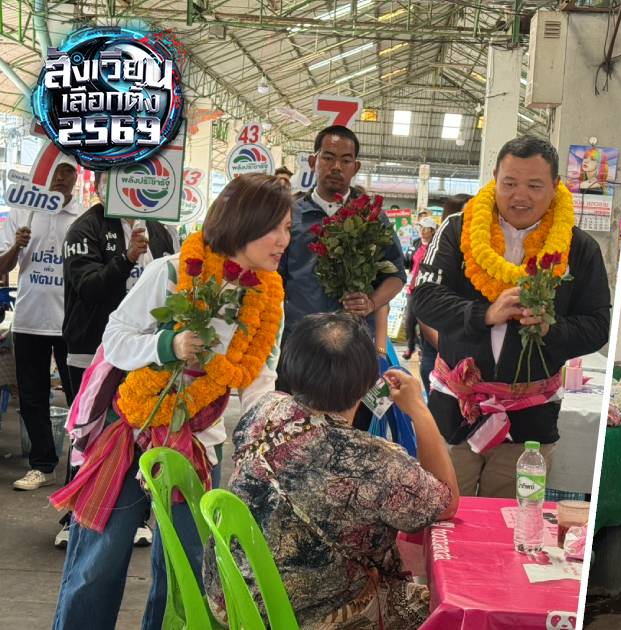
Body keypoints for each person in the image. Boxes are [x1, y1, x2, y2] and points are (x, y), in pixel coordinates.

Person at [50, 173, 291, 630]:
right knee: (97, 563)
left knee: (187, 571)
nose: (284, 240)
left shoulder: (270, 297)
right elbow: (116, 338)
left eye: (287, 228)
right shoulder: (177, 272)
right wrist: (168, 346)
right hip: (134, 430)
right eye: (274, 227)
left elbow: (259, 375)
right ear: (242, 223)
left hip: (200, 440)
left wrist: (269, 432)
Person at [204, 312, 458, 628]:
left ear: (291, 366)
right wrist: (419, 407)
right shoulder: (372, 460)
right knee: (443, 613)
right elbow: (446, 504)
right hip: (308, 617)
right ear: (368, 382)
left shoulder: (263, 410)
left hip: (234, 599)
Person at [412, 136, 610, 498]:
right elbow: (423, 299)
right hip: (455, 413)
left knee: (510, 528)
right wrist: (483, 313)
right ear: (494, 179)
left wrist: (553, 329)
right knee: (439, 516)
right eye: (510, 183)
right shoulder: (457, 231)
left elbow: (598, 326)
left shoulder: (579, 248)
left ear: (555, 187)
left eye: (534, 186)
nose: (520, 196)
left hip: (529, 426)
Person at [57, 170, 177, 549]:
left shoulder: (160, 231)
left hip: (145, 358)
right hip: (93, 350)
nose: (130, 187)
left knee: (137, 436)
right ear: (100, 186)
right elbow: (88, 287)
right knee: (88, 433)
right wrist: (125, 260)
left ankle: (136, 516)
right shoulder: (84, 228)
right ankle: (74, 515)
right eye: (119, 179)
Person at [280, 125, 407, 352]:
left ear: (355, 167)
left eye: (346, 160)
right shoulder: (291, 214)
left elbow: (396, 275)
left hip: (354, 344)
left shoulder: (372, 217)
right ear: (313, 161)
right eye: (328, 157)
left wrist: (371, 303)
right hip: (299, 341)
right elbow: (274, 277)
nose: (336, 167)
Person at [3, 160, 86, 491]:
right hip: (29, 320)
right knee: (33, 396)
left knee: (80, 396)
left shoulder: (83, 217)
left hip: (72, 322)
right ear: (43, 174)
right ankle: (42, 464)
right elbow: (1, 268)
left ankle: (83, 468)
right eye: (57, 171)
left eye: (69, 172)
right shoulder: (22, 213)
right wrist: (16, 246)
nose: (63, 178)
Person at [415, 194, 472, 391]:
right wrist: (446, 347)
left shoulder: (479, 253)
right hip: (440, 352)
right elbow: (422, 302)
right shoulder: (436, 252)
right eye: (466, 214)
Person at [402, 216, 438, 360]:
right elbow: (407, 261)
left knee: (425, 323)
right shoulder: (416, 243)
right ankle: (411, 346)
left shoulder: (436, 246)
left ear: (432, 231)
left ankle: (424, 350)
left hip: (426, 291)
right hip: (412, 288)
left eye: (426, 229)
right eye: (421, 228)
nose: (422, 232)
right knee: (409, 321)